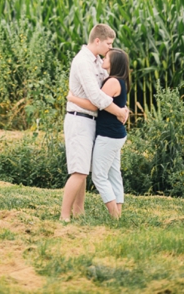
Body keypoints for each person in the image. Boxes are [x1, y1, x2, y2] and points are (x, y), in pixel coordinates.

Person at [60, 23, 127, 222]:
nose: (110, 48)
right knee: (79, 171)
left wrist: (124, 109)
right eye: (108, 43)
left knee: (83, 170)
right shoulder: (82, 62)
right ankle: (64, 216)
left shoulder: (97, 62)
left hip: (92, 122)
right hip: (79, 119)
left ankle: (78, 212)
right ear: (97, 41)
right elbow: (96, 97)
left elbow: (111, 90)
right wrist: (119, 112)